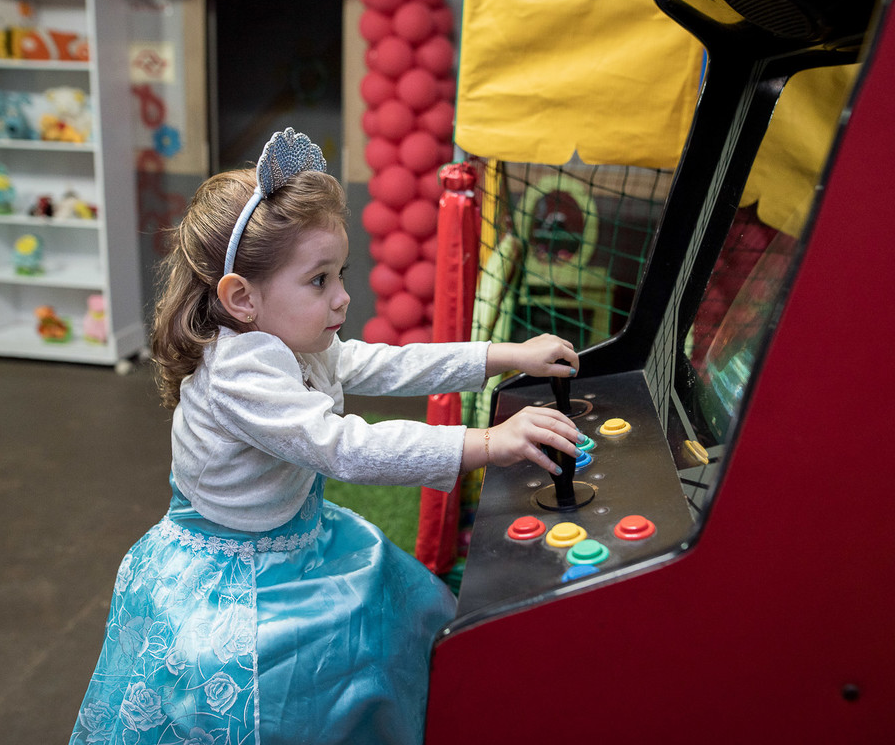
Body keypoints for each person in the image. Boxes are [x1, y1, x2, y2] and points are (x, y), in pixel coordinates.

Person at [71, 129, 582, 745]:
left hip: (299, 533)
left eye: (341, 273)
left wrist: (505, 354)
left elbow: (384, 363)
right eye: (318, 280)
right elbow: (344, 446)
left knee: (397, 609)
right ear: (242, 298)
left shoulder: (292, 339)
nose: (343, 298)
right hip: (234, 569)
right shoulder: (241, 373)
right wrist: (488, 443)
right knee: (267, 703)